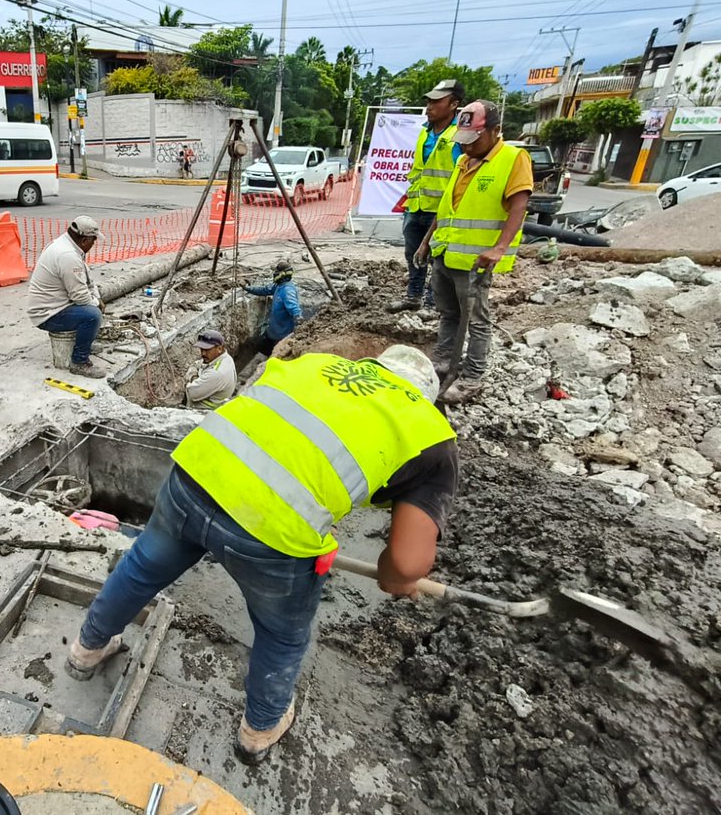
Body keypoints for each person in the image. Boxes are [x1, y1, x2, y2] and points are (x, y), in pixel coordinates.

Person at [64, 345, 458, 764]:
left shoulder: (317, 364)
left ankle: (87, 650)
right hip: (271, 534)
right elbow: (406, 565)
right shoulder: (432, 436)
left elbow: (284, 440)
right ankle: (259, 730)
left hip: (197, 471)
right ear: (425, 398)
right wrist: (395, 578)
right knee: (280, 633)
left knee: (141, 567)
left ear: (374, 367)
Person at [416, 99, 533, 405]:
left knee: (477, 320)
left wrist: (500, 248)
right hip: (446, 252)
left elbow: (519, 205)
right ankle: (442, 363)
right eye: (463, 141)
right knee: (448, 314)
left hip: (476, 260)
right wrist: (427, 240)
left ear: (495, 131)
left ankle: (472, 376)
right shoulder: (463, 162)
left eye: (473, 140)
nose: (466, 147)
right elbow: (447, 208)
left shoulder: (513, 158)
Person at [387, 79, 465, 314]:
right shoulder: (425, 132)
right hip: (417, 205)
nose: (429, 106)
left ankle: (433, 304)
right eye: (429, 101)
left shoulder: (458, 136)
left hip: (442, 209)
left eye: (436, 101)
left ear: (454, 104)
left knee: (437, 259)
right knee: (413, 254)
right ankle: (414, 296)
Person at [27, 216, 107, 379]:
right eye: (93, 240)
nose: (94, 244)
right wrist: (96, 305)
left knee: (93, 308)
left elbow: (88, 281)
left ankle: (84, 344)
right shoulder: (67, 255)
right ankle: (79, 362)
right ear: (85, 239)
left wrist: (97, 298)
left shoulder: (70, 246)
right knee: (92, 316)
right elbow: (80, 297)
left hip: (57, 305)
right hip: (47, 314)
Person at [244, 260, 302, 355]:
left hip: (282, 335)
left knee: (276, 354)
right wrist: (247, 288)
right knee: (262, 348)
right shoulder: (279, 286)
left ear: (282, 274)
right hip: (274, 330)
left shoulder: (287, 290)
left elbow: (294, 308)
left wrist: (299, 322)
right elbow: (264, 290)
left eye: (276, 272)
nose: (274, 274)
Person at [184, 329, 237, 410]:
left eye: (207, 350)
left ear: (219, 348)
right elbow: (196, 364)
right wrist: (196, 377)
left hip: (202, 413)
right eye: (201, 349)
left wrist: (192, 377)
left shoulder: (217, 373)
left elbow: (191, 392)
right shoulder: (224, 358)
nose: (203, 354)